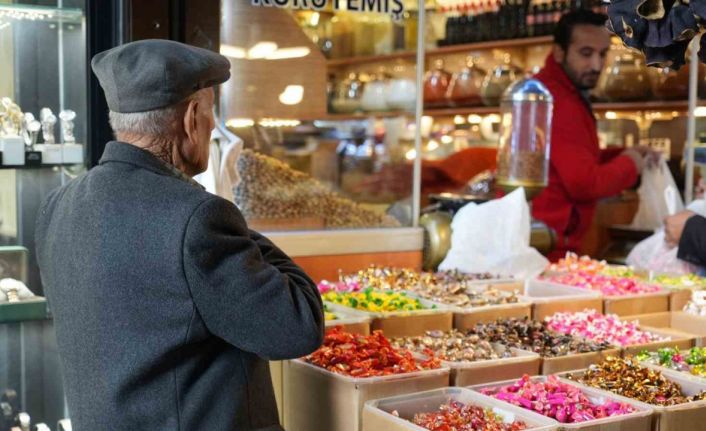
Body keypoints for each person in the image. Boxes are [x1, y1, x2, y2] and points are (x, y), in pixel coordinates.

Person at [34, 40, 324, 430]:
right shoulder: (198, 218)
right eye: (210, 114)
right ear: (192, 117)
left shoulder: (57, 204)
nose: (210, 126)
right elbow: (297, 327)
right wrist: (225, 217)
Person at [532, 10, 658, 260]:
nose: (597, 65)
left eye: (603, 54)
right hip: (546, 246)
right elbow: (584, 184)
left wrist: (621, 154)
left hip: (546, 240)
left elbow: (575, 158)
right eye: (586, 53)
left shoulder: (560, 92)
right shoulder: (558, 101)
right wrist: (630, 163)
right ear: (559, 52)